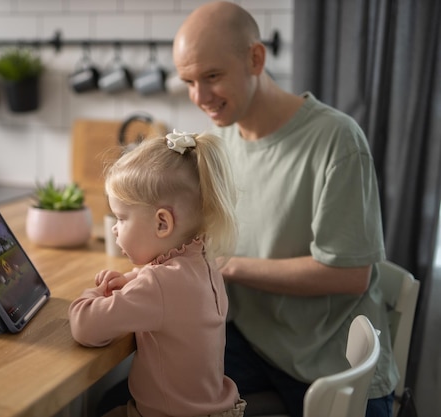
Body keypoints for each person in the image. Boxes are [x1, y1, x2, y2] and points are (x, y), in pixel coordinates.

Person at [171, 2, 399, 417]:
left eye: (213, 76)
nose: (199, 97)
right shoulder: (218, 145)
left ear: (256, 58)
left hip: (330, 368)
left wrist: (230, 266)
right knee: (128, 399)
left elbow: (349, 275)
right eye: (189, 81)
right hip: (253, 345)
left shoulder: (337, 139)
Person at [69, 130, 247, 417]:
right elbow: (165, 285)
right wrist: (130, 279)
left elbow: (85, 327)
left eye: (121, 218)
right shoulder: (204, 260)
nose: (114, 228)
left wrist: (94, 293)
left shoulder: (159, 285)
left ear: (162, 224)